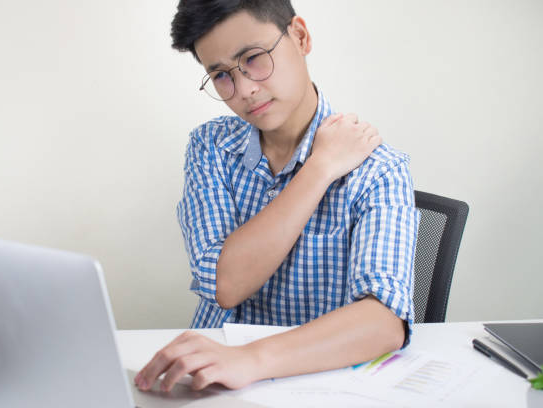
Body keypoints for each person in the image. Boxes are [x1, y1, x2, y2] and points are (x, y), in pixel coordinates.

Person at [135, 0, 420, 393]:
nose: (245, 90)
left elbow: (383, 322)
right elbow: (226, 283)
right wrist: (320, 169)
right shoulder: (211, 147)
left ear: (300, 37)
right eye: (220, 75)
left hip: (312, 380)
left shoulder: (377, 168)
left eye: (253, 58)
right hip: (210, 378)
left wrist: (252, 359)